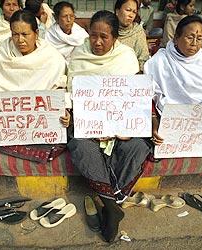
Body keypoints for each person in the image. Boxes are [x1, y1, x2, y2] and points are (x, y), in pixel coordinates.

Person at [68, 10, 151, 243]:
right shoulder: (79, 55)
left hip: (120, 128)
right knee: (80, 146)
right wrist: (86, 122)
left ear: (115, 38)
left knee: (137, 147)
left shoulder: (126, 57)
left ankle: (109, 202)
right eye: (93, 35)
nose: (97, 42)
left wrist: (125, 128)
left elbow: (134, 100)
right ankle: (111, 206)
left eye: (104, 37)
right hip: (89, 126)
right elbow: (71, 94)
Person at [0, 10, 69, 159]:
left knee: (59, 136)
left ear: (36, 33)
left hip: (41, 123)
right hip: (10, 122)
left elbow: (61, 91)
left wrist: (65, 112)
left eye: (25, 34)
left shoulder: (52, 57)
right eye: (15, 34)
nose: (20, 40)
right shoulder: (3, 53)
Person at [145, 15, 202, 145]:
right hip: (170, 122)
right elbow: (151, 95)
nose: (194, 43)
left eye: (199, 38)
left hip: (200, 122)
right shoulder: (159, 61)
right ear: (176, 38)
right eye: (190, 37)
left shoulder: (201, 61)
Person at [115, 0, 149, 70]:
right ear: (117, 11)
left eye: (134, 12)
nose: (131, 15)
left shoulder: (138, 31)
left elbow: (143, 59)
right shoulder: (108, 28)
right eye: (128, 10)